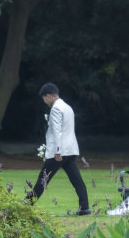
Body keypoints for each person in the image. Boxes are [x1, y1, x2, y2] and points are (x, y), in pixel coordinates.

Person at [30, 83, 90, 215]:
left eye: (44, 98)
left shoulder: (56, 109)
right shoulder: (68, 107)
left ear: (49, 96)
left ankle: (27, 205)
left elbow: (57, 131)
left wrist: (57, 150)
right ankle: (84, 207)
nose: (45, 102)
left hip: (60, 152)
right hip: (70, 150)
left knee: (43, 179)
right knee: (77, 180)